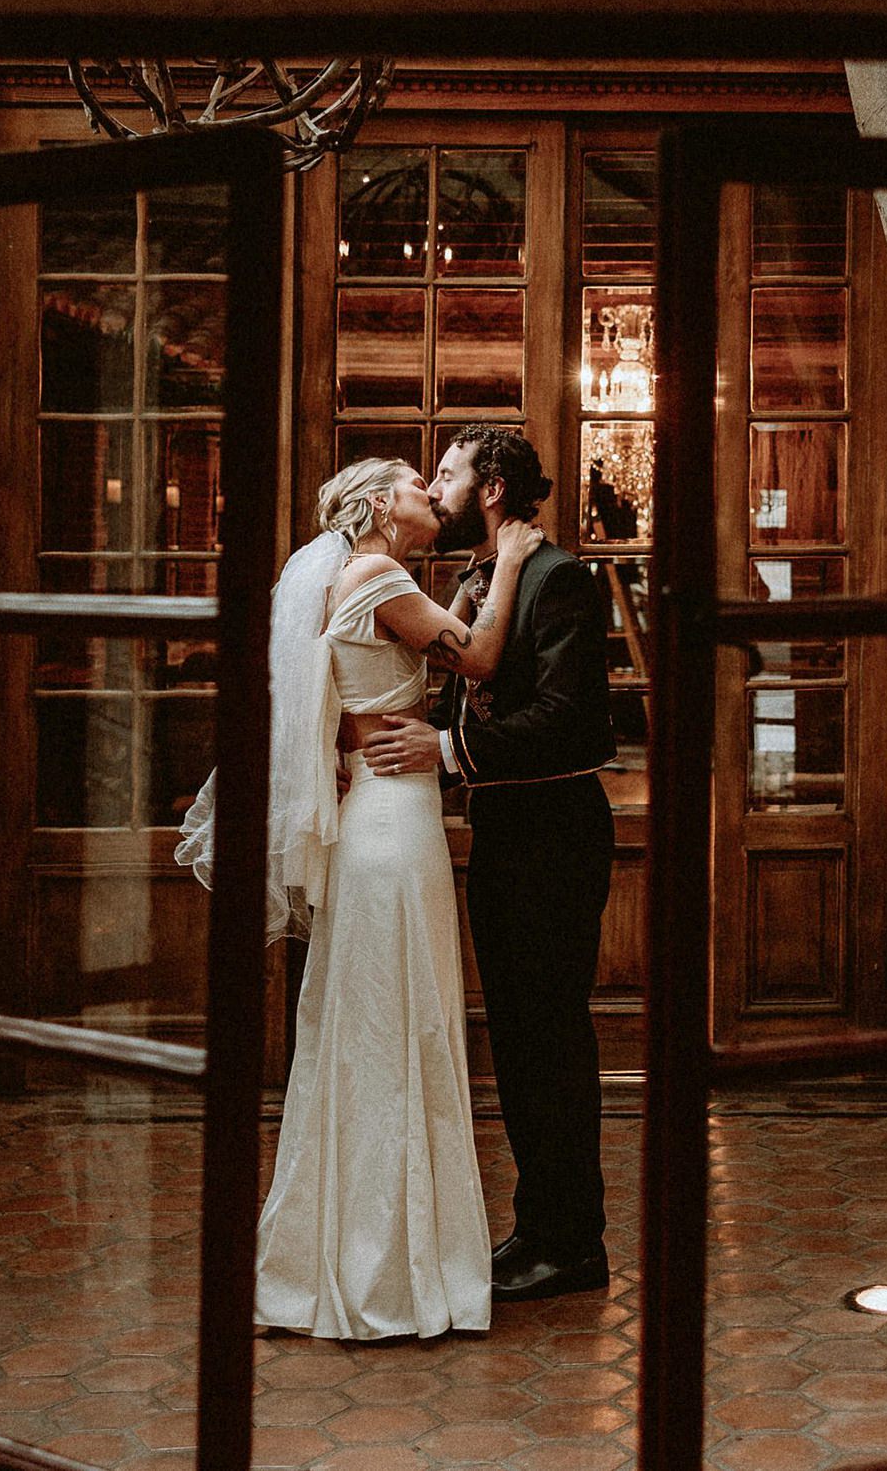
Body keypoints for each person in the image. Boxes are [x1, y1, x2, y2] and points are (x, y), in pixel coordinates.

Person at [178, 457, 542, 1340]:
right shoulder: (376, 575)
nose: (432, 495)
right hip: (392, 823)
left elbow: (364, 684)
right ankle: (391, 1276)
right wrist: (512, 561)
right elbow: (481, 656)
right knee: (401, 1025)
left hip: (376, 810)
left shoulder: (361, 580)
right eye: (419, 484)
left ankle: (354, 1259)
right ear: (381, 505)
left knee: (376, 1024)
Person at [361, 427, 617, 1303]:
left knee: (550, 1040)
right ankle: (538, 1228)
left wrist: (445, 753)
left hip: (557, 838)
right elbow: (464, 697)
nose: (435, 489)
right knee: (515, 1041)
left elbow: (573, 723)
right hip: (506, 834)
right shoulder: (479, 580)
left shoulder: (560, 578)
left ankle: (573, 1243)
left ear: (494, 487)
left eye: (448, 473)